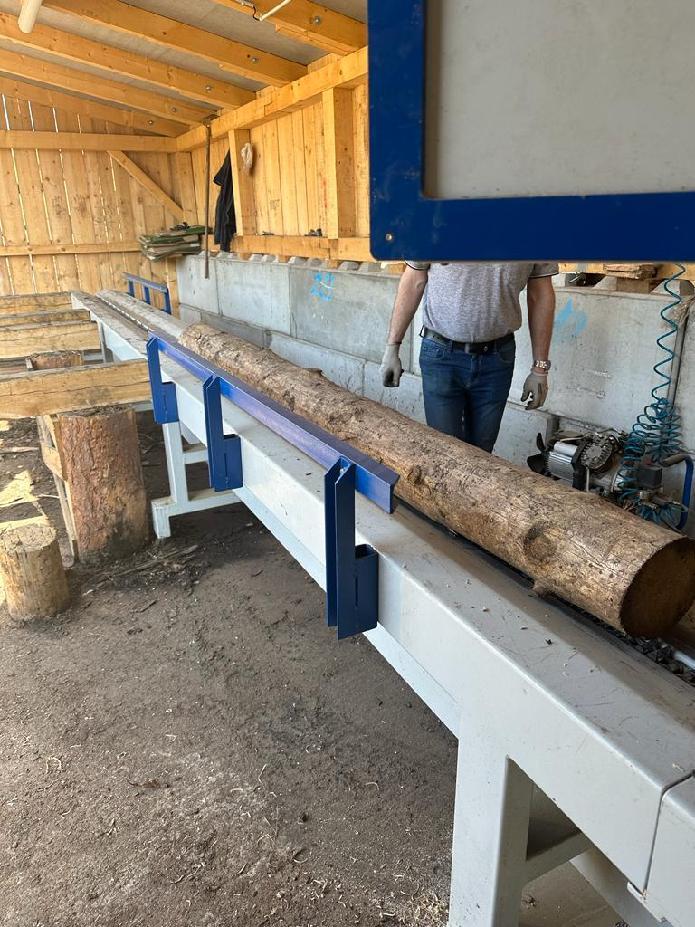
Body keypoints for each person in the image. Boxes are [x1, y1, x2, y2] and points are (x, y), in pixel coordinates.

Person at [379, 262, 558, 452]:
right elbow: (414, 279)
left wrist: (540, 368)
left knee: (482, 452)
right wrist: (392, 347)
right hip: (441, 357)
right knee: (444, 450)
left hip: (496, 361)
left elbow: (540, 294)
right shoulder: (434, 239)